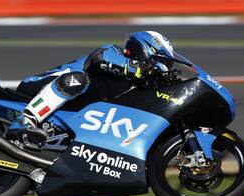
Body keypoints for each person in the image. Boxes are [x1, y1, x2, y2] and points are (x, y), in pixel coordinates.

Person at [12, 31, 174, 143]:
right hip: (34, 89)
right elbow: (99, 58)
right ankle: (25, 121)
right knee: (77, 79)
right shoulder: (113, 52)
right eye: (162, 63)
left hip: (66, 112)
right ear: (146, 51)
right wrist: (138, 69)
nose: (163, 68)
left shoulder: (130, 85)